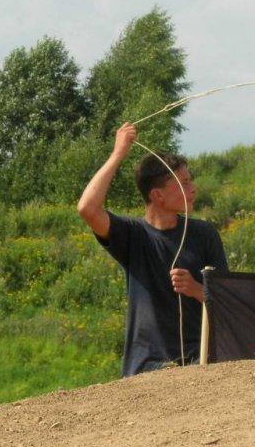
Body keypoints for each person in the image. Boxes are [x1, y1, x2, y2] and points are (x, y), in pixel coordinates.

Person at [77, 123, 228, 377]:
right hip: (146, 369)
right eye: (184, 183)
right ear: (158, 196)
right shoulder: (132, 234)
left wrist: (196, 289)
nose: (193, 189)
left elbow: (228, 300)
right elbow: (87, 209)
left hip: (199, 362)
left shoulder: (204, 234)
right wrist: (118, 153)